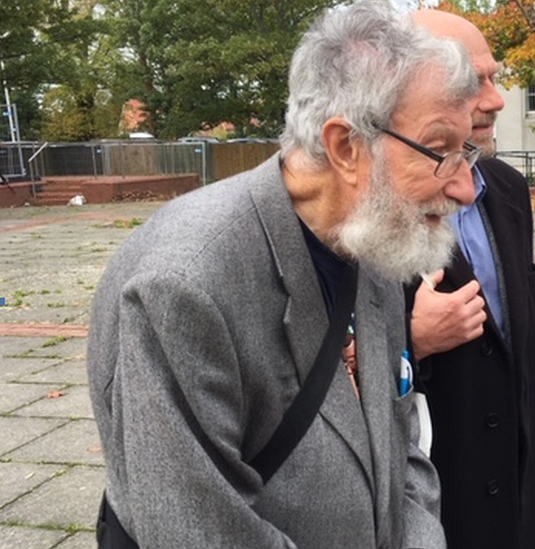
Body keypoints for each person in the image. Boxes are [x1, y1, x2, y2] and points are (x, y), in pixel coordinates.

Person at [86, 2, 482, 548]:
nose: (464, 186)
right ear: (346, 147)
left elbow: (401, 442)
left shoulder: (371, 239)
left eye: (467, 153)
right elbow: (200, 531)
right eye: (441, 152)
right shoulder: (183, 284)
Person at [405, 9, 535, 549]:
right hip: (435, 503)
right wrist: (410, 340)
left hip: (523, 494)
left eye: (494, 78)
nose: (495, 99)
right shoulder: (372, 207)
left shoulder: (508, 188)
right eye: (473, 83)